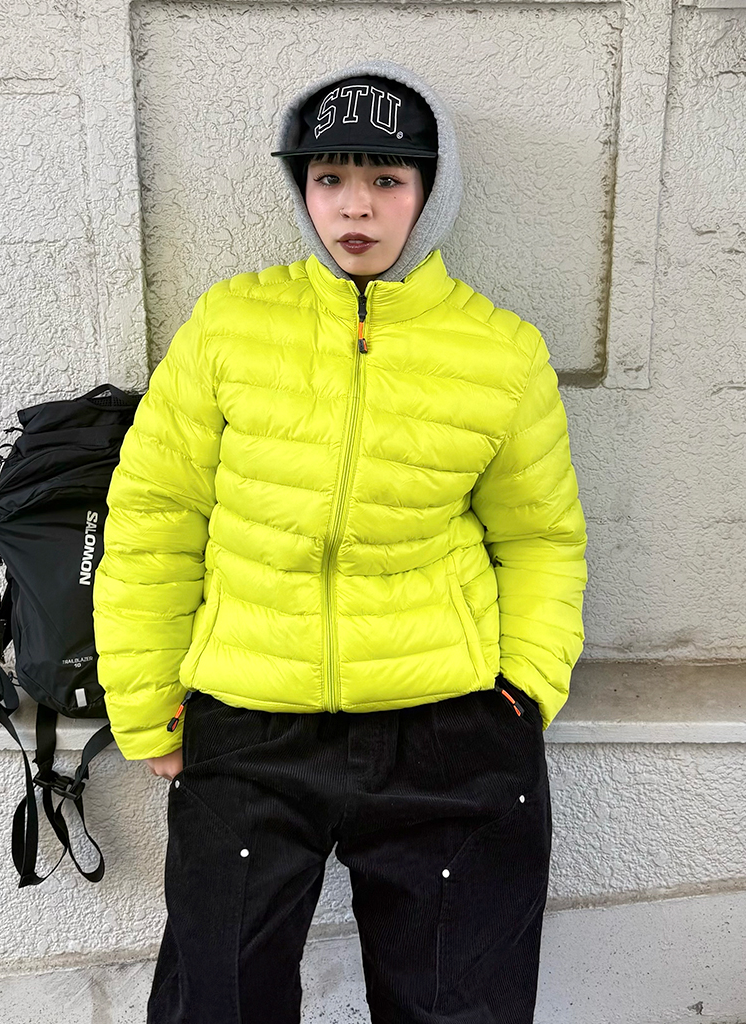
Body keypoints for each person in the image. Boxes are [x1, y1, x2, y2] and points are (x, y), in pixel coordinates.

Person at [93, 59, 588, 1024]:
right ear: (302, 190)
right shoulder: (231, 325)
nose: (355, 207)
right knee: (220, 1001)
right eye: (330, 178)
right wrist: (148, 706)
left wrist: (524, 691)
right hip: (250, 720)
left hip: (447, 729)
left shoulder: (501, 350)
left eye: (386, 179)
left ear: (430, 192)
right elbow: (156, 519)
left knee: (458, 1005)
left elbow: (540, 539)